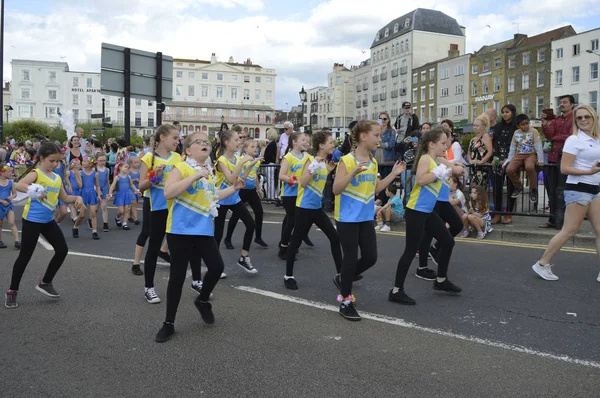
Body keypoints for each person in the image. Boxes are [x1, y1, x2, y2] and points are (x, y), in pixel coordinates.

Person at [155, 132, 244, 343]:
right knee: (177, 277)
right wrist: (194, 176)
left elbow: (213, 196)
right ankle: (168, 323)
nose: (204, 144)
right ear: (187, 150)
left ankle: (202, 300)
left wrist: (233, 188)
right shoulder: (182, 167)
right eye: (198, 142)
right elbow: (168, 192)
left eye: (206, 142)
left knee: (216, 267)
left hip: (203, 230)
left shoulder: (209, 173)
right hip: (180, 230)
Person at [333, 120, 406, 321]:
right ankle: (346, 301)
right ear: (363, 137)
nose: (379, 139)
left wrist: (393, 173)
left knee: (370, 257)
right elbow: (336, 189)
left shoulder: (373, 162)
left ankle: (343, 278)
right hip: (347, 218)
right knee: (349, 257)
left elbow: (375, 188)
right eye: (376, 135)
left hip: (365, 217)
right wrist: (353, 172)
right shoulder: (346, 161)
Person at [5, 141, 85, 309]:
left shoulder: (56, 178)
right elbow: (19, 184)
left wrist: (77, 198)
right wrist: (35, 190)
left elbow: (65, 198)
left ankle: (45, 282)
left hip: (48, 221)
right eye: (52, 161)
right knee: (25, 256)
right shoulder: (36, 173)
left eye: (58, 162)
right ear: (42, 158)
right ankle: (12, 290)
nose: (55, 164)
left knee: (62, 250)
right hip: (32, 221)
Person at [390, 127, 461, 307]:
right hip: (416, 211)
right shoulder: (425, 159)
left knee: (448, 241)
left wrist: (448, 170)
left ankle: (441, 280)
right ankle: (396, 291)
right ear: (431, 144)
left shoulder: (436, 160)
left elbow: (453, 170)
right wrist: (438, 173)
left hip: (427, 211)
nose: (446, 146)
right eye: (443, 143)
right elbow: (421, 180)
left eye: (447, 143)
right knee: (409, 250)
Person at [532, 105, 600, 281]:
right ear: (576, 121)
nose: (583, 120)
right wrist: (589, 172)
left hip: (595, 189)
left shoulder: (596, 139)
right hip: (578, 188)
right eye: (579, 118)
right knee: (569, 230)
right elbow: (564, 168)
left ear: (594, 118)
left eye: (587, 117)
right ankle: (542, 264)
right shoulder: (574, 140)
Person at [284, 130, 342, 290]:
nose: (333, 144)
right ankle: (288, 276)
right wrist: (315, 166)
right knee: (295, 242)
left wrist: (328, 169)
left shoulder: (323, 161)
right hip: (304, 208)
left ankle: (341, 274)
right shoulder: (310, 160)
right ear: (321, 145)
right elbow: (303, 182)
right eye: (331, 142)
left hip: (316, 208)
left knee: (335, 238)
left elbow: (317, 180)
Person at [138, 124, 181, 303]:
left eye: (178, 139)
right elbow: (141, 186)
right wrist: (154, 176)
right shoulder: (149, 158)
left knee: (178, 246)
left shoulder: (178, 157)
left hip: (174, 207)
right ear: (162, 137)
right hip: (156, 206)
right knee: (154, 246)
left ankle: (185, 284)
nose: (177, 142)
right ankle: (149, 287)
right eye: (174, 138)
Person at [213, 130, 258, 276]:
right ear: (227, 142)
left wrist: (250, 166)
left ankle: (244, 257)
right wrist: (241, 162)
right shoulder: (221, 161)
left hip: (234, 198)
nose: (239, 142)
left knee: (251, 224)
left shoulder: (237, 158)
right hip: (221, 199)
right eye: (237, 139)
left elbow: (239, 180)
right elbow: (231, 179)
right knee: (218, 234)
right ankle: (215, 265)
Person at [224, 139, 268, 249]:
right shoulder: (240, 160)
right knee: (236, 215)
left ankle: (258, 237)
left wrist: (259, 189)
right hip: (241, 190)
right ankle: (227, 238)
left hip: (252, 190)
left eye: (256, 147)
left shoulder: (256, 160)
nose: (255, 148)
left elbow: (255, 175)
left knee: (259, 212)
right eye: (252, 146)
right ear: (245, 149)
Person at [540, 95, 575, 229]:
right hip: (552, 158)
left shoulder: (575, 119)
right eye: (560, 103)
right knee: (552, 190)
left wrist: (555, 137)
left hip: (565, 159)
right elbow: (549, 135)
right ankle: (553, 219)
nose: (562, 105)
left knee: (562, 191)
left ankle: (563, 221)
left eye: (565, 102)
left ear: (572, 105)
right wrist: (544, 123)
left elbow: (572, 137)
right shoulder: (556, 119)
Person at [278, 132, 313, 260]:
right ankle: (283, 249)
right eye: (303, 140)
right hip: (289, 194)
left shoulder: (308, 157)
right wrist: (291, 180)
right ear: (294, 142)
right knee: (293, 220)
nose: (306, 143)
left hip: (301, 193)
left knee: (291, 220)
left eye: (307, 141)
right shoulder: (288, 157)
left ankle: (286, 242)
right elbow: (281, 175)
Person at [504, 114, 544, 202]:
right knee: (509, 169)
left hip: (531, 154)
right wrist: (509, 159)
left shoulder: (534, 131)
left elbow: (538, 146)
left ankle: (533, 189)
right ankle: (518, 186)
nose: (525, 126)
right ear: (518, 126)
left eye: (527, 123)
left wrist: (540, 160)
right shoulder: (516, 133)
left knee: (529, 167)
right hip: (519, 155)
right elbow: (513, 146)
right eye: (522, 124)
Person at [491, 104, 518, 225]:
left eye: (507, 112)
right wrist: (496, 156)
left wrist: (508, 158)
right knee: (497, 187)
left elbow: (517, 144)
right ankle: (497, 213)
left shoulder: (517, 127)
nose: (504, 114)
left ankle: (508, 213)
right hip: (498, 160)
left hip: (512, 160)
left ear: (512, 112)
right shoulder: (498, 127)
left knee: (511, 187)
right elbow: (495, 143)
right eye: (503, 112)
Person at [109, 161, 140, 231]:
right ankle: (117, 217)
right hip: (120, 195)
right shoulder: (117, 177)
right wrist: (110, 193)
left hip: (127, 194)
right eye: (125, 167)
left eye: (128, 167)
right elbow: (112, 186)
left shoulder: (128, 177)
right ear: (120, 167)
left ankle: (125, 223)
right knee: (121, 210)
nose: (127, 169)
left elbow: (131, 185)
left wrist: (137, 191)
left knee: (126, 210)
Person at [468, 114, 494, 187]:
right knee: (473, 190)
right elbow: (469, 153)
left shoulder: (486, 137)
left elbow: (490, 152)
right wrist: (470, 161)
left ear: (483, 127)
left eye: (477, 126)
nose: (475, 127)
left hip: (482, 168)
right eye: (474, 125)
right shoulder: (472, 140)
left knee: (480, 190)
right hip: (473, 167)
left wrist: (481, 162)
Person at [0, 164, 20, 249]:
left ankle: (17, 241)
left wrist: (11, 197)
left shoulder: (11, 182)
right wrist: (1, 201)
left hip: (8, 205)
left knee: (11, 222)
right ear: (2, 172)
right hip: (0, 204)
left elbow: (15, 193)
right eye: (8, 171)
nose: (10, 173)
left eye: (11, 172)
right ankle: (0, 241)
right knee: (0, 224)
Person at [95, 153, 111, 232]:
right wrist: (97, 190)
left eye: (104, 160)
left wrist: (109, 192)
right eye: (100, 160)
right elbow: (92, 181)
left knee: (104, 206)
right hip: (96, 190)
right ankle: (91, 218)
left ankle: (105, 224)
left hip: (104, 189)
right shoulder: (94, 169)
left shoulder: (107, 170)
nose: (102, 162)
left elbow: (107, 181)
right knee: (95, 208)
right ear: (96, 161)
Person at [379, 112, 396, 177]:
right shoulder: (375, 131)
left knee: (386, 180)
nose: (383, 120)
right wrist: (384, 144)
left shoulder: (392, 131)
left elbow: (391, 144)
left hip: (387, 161)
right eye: (380, 119)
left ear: (388, 120)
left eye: (385, 119)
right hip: (375, 159)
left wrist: (380, 144)